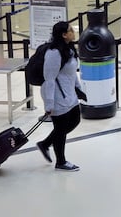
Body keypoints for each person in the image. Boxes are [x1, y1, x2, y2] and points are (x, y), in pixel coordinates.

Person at [36, 22, 85, 172]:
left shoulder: (68, 49)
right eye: (70, 30)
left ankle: (45, 144)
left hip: (68, 94)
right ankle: (61, 162)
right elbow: (49, 79)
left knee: (75, 119)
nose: (73, 31)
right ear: (64, 34)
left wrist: (78, 89)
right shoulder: (54, 53)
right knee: (61, 129)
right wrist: (49, 104)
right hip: (57, 96)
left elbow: (71, 71)